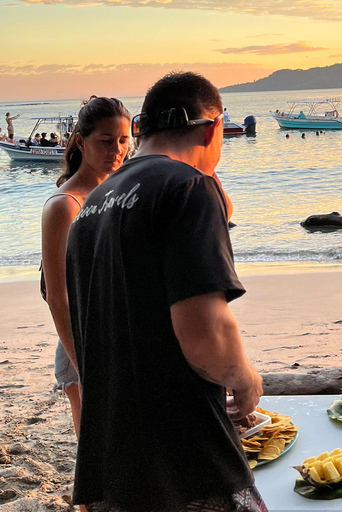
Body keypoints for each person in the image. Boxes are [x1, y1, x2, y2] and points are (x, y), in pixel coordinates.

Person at [66, 71, 267, 512]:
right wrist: (244, 378)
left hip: (112, 462)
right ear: (213, 127)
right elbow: (204, 332)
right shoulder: (190, 185)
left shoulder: (92, 206)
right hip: (184, 461)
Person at [41, 98, 131, 459]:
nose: (117, 150)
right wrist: (81, 363)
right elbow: (57, 295)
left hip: (117, 336)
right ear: (81, 141)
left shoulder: (118, 191)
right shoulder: (64, 205)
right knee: (97, 455)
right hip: (82, 342)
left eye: (124, 140)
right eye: (106, 141)